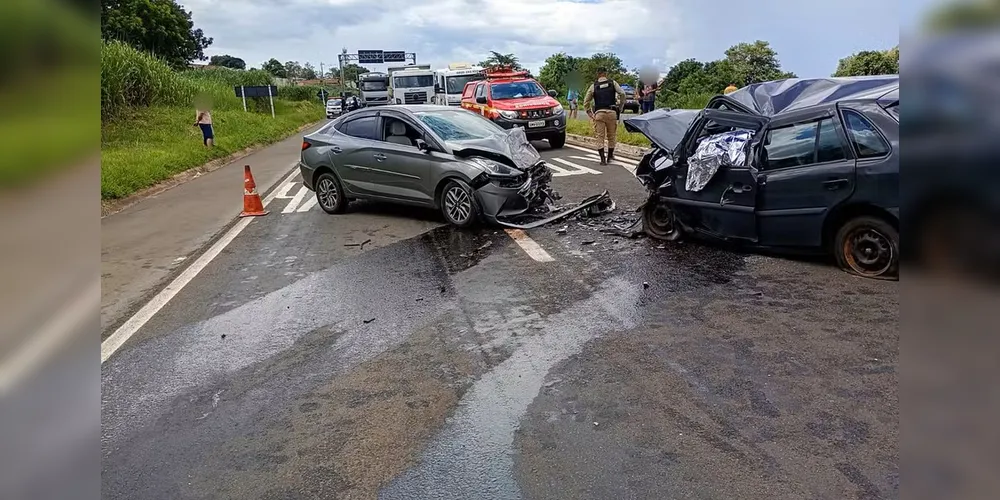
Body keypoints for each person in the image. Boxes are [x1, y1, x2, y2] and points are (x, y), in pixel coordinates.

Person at [583, 67, 626, 165]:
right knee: (612, 136)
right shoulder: (613, 83)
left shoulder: (593, 86)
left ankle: (603, 159)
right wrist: (621, 106)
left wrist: (589, 112)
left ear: (597, 74)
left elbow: (586, 101)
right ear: (606, 74)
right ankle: (610, 156)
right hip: (612, 113)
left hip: (599, 113)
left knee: (600, 136)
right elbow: (622, 93)